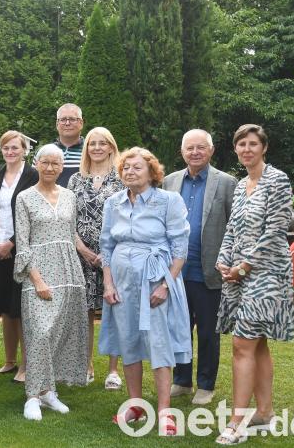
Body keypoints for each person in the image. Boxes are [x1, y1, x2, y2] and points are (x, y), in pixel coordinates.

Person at [98, 147, 191, 436]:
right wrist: (108, 283)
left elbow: (180, 248)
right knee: (128, 341)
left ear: (152, 172)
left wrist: (166, 284)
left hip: (154, 280)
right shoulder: (113, 202)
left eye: (136, 167)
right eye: (125, 167)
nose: (129, 172)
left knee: (158, 341)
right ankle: (135, 404)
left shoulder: (168, 201)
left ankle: (164, 411)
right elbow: (106, 246)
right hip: (121, 281)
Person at [214, 125, 294, 445]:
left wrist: (245, 266)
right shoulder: (240, 186)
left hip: (268, 273)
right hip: (237, 273)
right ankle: (264, 412)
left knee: (242, 343)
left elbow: (275, 230)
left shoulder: (278, 180)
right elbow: (232, 228)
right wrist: (224, 262)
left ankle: (237, 422)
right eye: (241, 144)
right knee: (257, 343)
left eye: (252, 144)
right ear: (235, 149)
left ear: (264, 147)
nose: (246, 149)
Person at [14, 144, 88, 421]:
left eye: (55, 163)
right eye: (45, 162)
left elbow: (72, 236)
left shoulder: (70, 196)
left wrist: (88, 259)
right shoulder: (24, 198)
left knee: (60, 332)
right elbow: (22, 242)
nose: (50, 168)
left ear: (61, 166)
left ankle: (48, 391)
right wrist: (36, 278)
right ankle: (32, 396)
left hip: (69, 272)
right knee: (40, 334)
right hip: (39, 273)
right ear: (36, 164)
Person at [164, 129, 237, 406]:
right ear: (182, 151)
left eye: (200, 148)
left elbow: (234, 227)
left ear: (211, 150)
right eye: (189, 148)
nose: (195, 152)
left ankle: (206, 385)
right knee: (179, 330)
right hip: (175, 273)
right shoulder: (170, 182)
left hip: (209, 273)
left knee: (208, 332)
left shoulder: (227, 183)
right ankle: (181, 380)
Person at [67, 127, 125, 389]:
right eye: (92, 144)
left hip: (113, 255)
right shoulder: (76, 180)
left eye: (103, 143)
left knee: (114, 311)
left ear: (112, 147)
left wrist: (107, 253)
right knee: (84, 312)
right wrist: (83, 249)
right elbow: (68, 220)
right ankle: (86, 365)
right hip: (82, 255)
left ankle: (113, 370)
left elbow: (128, 218)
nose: (98, 148)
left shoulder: (123, 179)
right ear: (86, 148)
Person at [0, 131, 38, 384]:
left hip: (21, 248)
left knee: (22, 308)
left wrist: (12, 243)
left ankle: (27, 365)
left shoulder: (33, 175)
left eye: (15, 147)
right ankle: (9, 360)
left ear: (24, 149)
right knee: (6, 309)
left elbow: (34, 216)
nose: (10, 151)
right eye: (6, 147)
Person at [40, 103, 84, 188]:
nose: (67, 123)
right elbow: (35, 182)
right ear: (57, 124)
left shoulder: (91, 151)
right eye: (63, 119)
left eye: (72, 119)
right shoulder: (44, 152)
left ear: (81, 123)